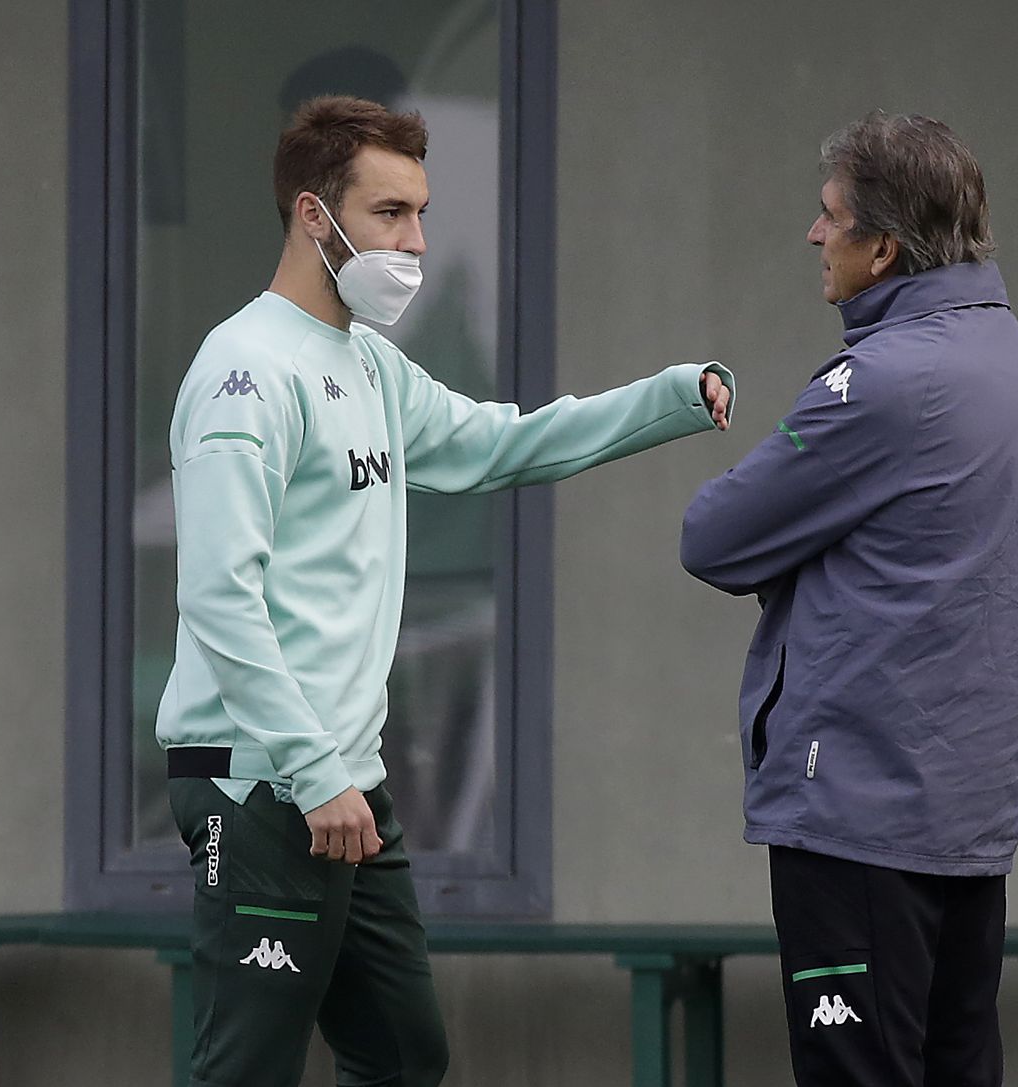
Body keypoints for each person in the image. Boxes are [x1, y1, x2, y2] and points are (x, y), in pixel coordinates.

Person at [156, 94, 733, 1087]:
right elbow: (220, 597)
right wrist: (310, 769)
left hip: (343, 782)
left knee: (401, 1053)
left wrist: (671, 397)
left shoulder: (370, 363)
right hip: (257, 778)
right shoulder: (242, 373)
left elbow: (499, 443)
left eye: (420, 212)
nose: (415, 241)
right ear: (311, 214)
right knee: (243, 1065)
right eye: (389, 214)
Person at [680, 111, 1018, 1086]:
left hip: (858, 806)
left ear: (883, 247)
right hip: (968, 816)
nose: (814, 236)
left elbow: (715, 536)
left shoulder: (884, 381)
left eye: (828, 218)